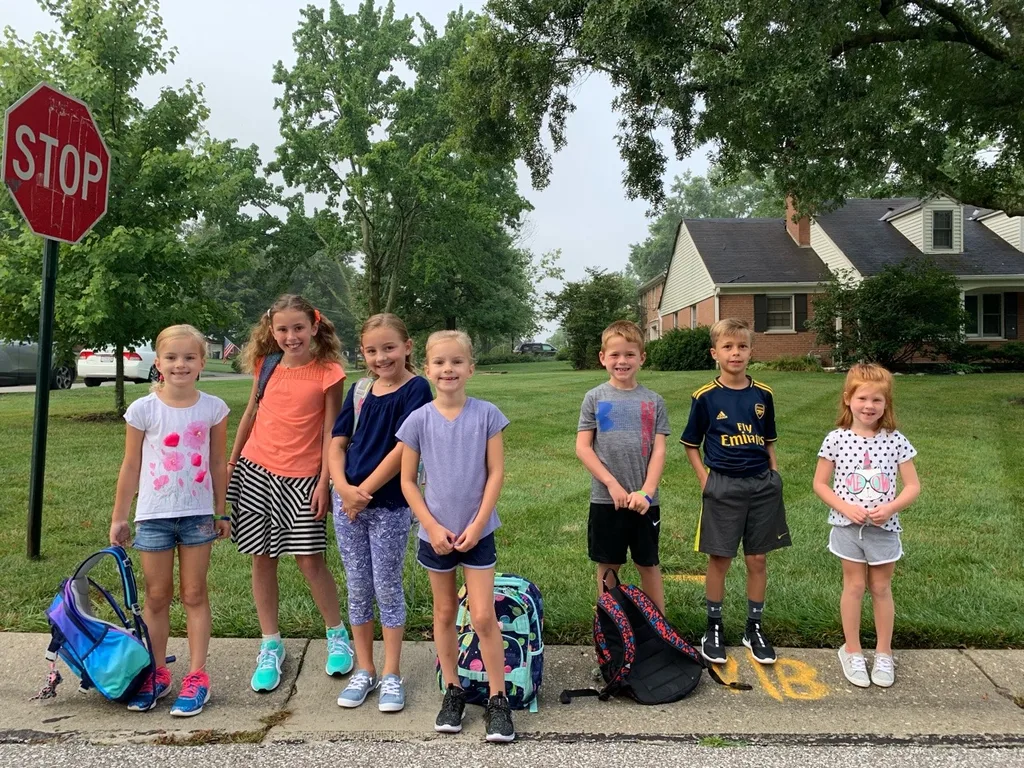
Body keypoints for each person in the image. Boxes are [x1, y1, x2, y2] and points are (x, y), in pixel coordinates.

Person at [396, 330, 515, 743]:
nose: (448, 370)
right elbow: (408, 481)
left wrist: (479, 523)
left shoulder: (487, 415)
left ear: (470, 368)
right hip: (436, 534)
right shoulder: (417, 420)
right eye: (440, 363)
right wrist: (429, 525)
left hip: (478, 531)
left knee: (482, 615)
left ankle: (499, 700)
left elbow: (496, 472)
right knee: (445, 613)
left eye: (456, 362)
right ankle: (453, 690)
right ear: (427, 369)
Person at [226, 294, 350, 693]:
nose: (290, 336)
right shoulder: (267, 365)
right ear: (271, 330)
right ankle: (271, 644)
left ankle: (337, 634)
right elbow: (250, 413)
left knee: (310, 561)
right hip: (256, 471)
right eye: (282, 329)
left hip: (303, 479)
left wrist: (324, 481)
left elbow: (333, 432)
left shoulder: (328, 373)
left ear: (314, 326)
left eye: (298, 328)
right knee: (262, 560)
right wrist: (231, 464)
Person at [110, 324, 230, 716]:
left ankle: (197, 675)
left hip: (197, 517)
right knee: (157, 596)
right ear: (158, 363)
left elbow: (216, 462)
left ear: (201, 362)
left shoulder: (213, 407)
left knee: (195, 594)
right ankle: (156, 671)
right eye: (172, 358)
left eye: (189, 357)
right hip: (154, 516)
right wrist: (120, 517)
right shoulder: (144, 409)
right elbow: (131, 464)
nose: (181, 364)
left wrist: (221, 509)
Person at [328, 314, 432, 712]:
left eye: (389, 348)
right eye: (372, 350)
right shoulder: (359, 391)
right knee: (357, 586)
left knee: (386, 585)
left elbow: (405, 448)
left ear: (408, 347)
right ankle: (364, 669)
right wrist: (342, 487)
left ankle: (391, 673)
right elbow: (337, 444)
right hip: (348, 503)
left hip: (388, 503)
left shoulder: (416, 389)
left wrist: (365, 491)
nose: (381, 357)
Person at [681, 318, 789, 666]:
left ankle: (753, 627)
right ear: (715, 353)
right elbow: (691, 445)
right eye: (728, 347)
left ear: (751, 351)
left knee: (757, 558)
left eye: (742, 346)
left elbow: (769, 440)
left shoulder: (764, 395)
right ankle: (713, 626)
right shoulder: (705, 397)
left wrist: (774, 474)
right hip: (723, 484)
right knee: (721, 558)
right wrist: (705, 480)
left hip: (761, 485)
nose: (736, 353)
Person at [812, 363, 920, 689]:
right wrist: (845, 507)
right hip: (848, 528)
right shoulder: (836, 439)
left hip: (884, 530)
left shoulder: (896, 440)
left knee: (882, 588)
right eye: (862, 398)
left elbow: (913, 486)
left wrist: (891, 507)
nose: (869, 406)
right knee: (855, 587)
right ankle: (853, 649)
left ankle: (884, 652)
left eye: (877, 400)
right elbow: (820, 484)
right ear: (848, 399)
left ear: (887, 404)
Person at [575, 320, 670, 610]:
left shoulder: (654, 401)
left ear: (642, 357)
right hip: (607, 500)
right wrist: (612, 484)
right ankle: (612, 626)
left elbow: (659, 450)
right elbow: (583, 447)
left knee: (648, 563)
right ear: (603, 358)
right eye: (614, 355)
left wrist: (647, 491)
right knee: (608, 565)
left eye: (629, 354)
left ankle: (659, 630)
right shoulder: (594, 397)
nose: (622, 361)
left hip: (644, 502)